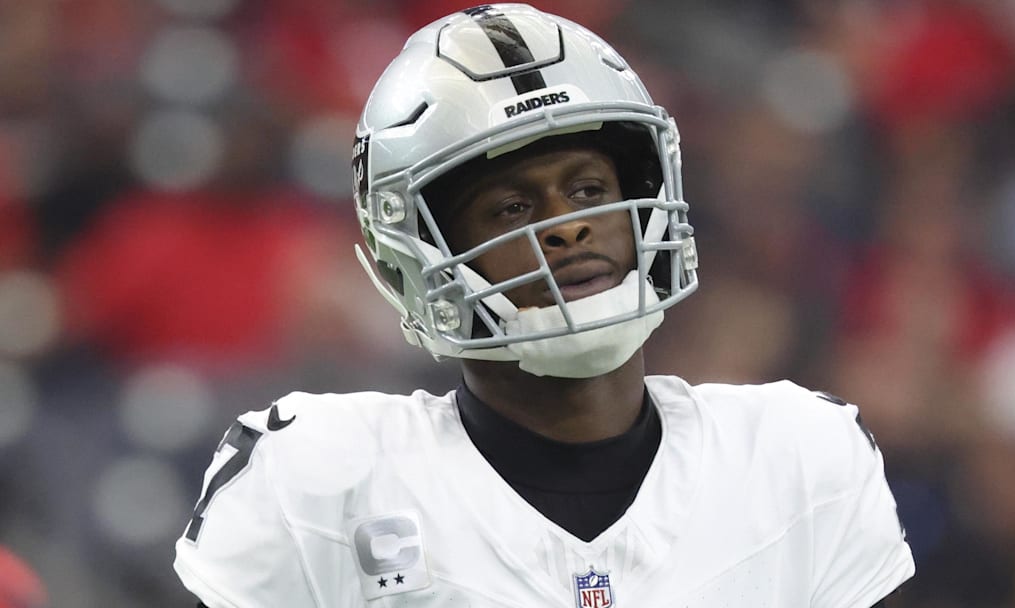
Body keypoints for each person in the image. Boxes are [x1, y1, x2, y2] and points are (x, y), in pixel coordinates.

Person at [174, 4, 915, 606]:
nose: (568, 226)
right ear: (417, 259)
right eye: (511, 208)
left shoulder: (798, 457)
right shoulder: (319, 478)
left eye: (590, 189)